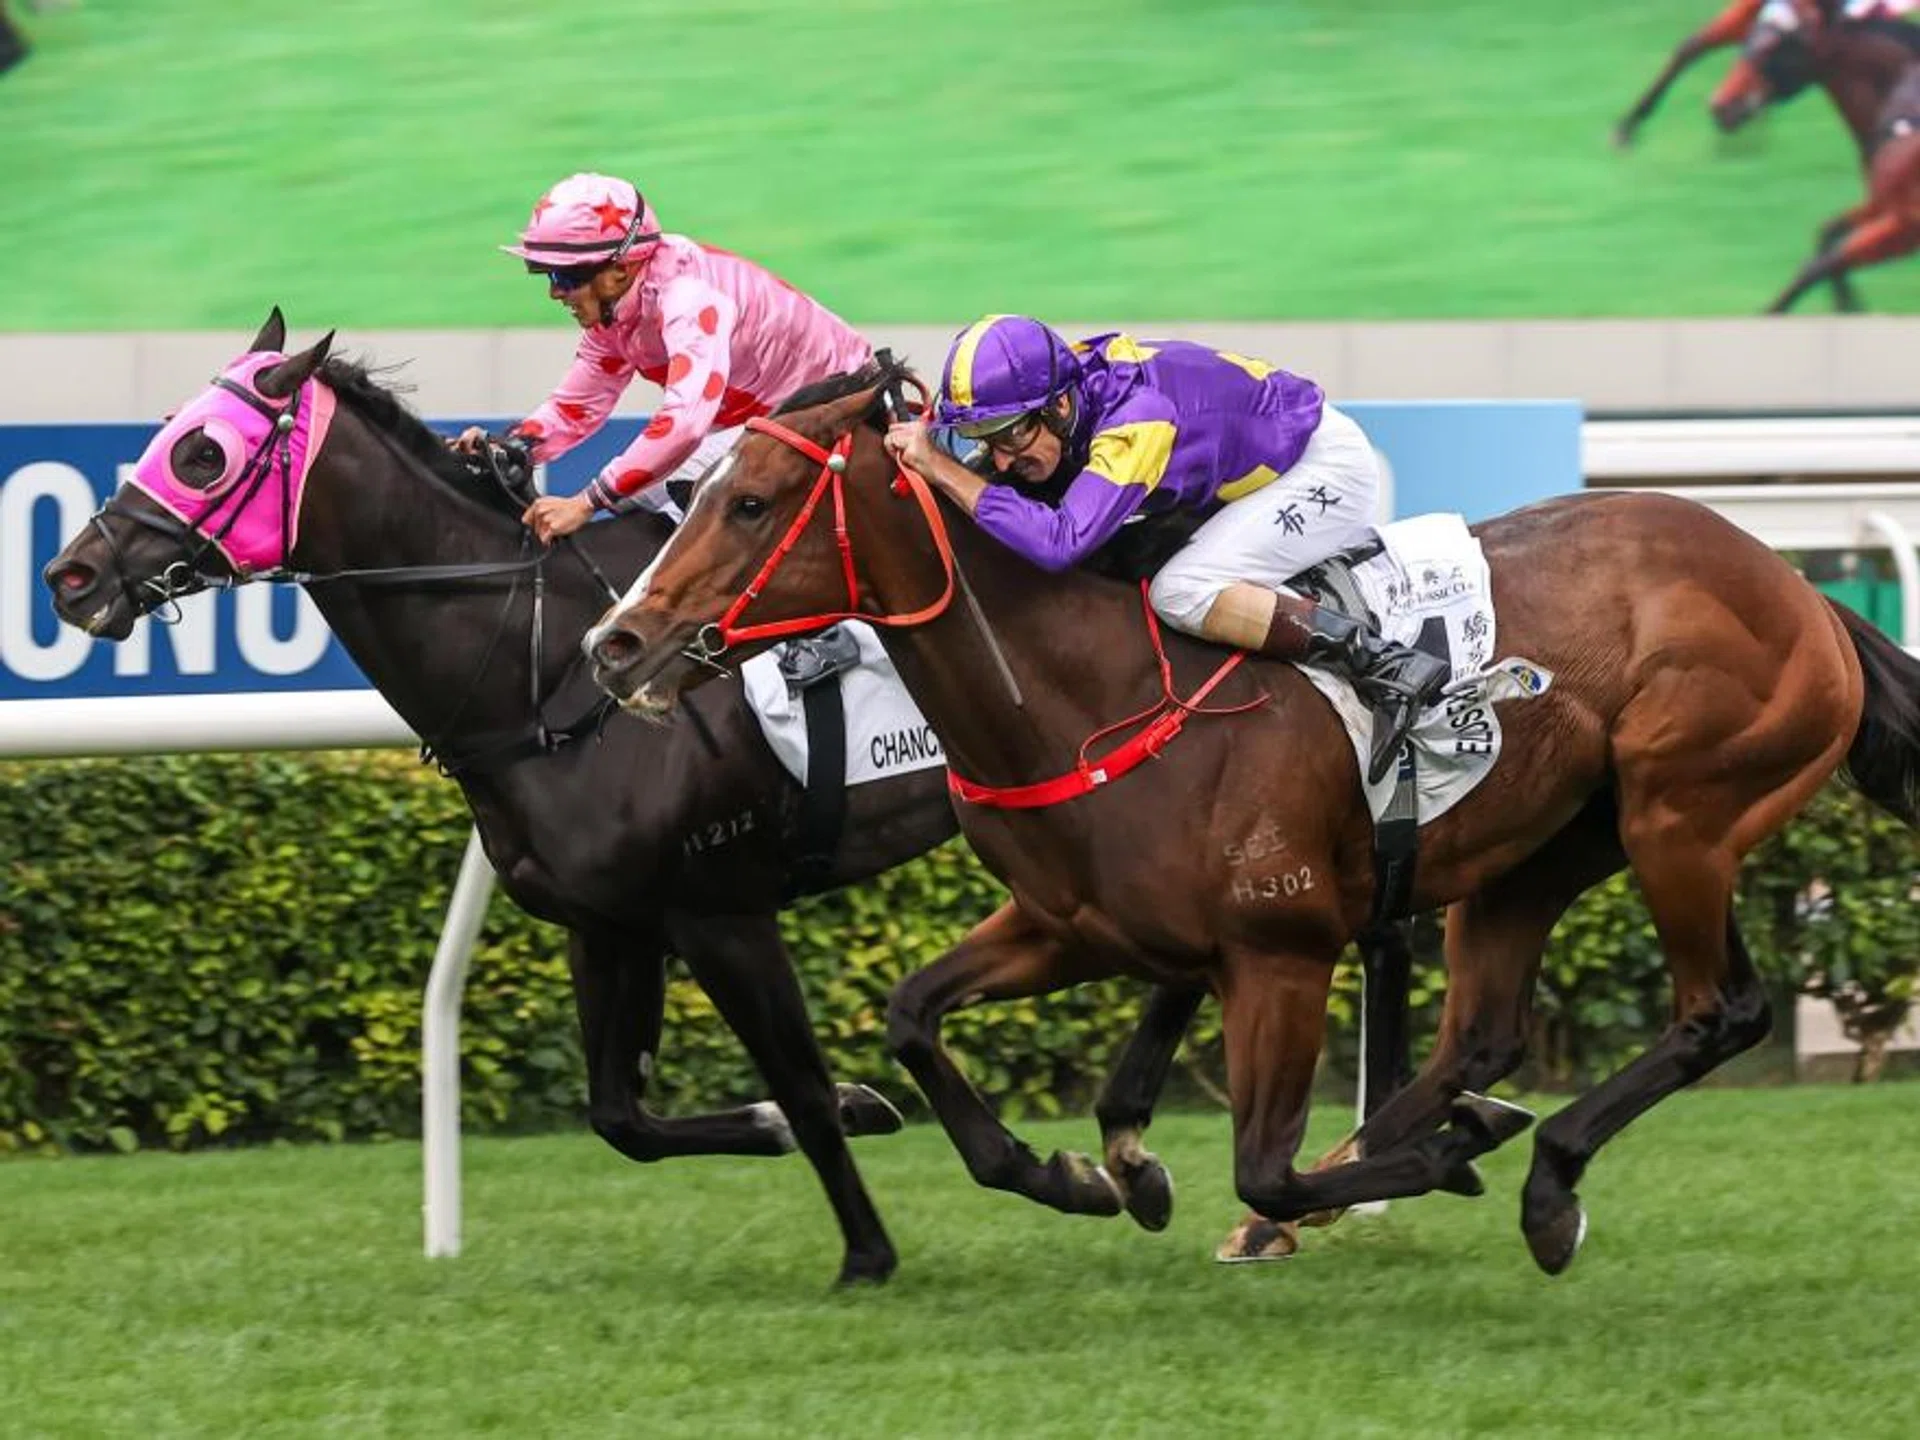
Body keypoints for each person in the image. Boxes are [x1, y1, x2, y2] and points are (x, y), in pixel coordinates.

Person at [882, 314, 1450, 786]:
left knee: (1183, 590)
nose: (1002, 459)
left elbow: (1058, 543)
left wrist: (944, 470)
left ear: (1057, 408)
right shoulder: (1062, 390)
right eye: (987, 440)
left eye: (1009, 436)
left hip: (1320, 468)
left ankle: (1385, 664)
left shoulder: (1136, 423)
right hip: (1247, 463)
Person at [453, 172, 871, 542]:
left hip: (838, 414)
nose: (555, 292)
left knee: (685, 501)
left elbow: (686, 424)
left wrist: (585, 503)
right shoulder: (615, 309)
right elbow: (577, 406)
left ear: (619, 268)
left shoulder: (687, 298)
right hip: (773, 421)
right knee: (644, 494)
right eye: (547, 276)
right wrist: (515, 445)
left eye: (565, 276)